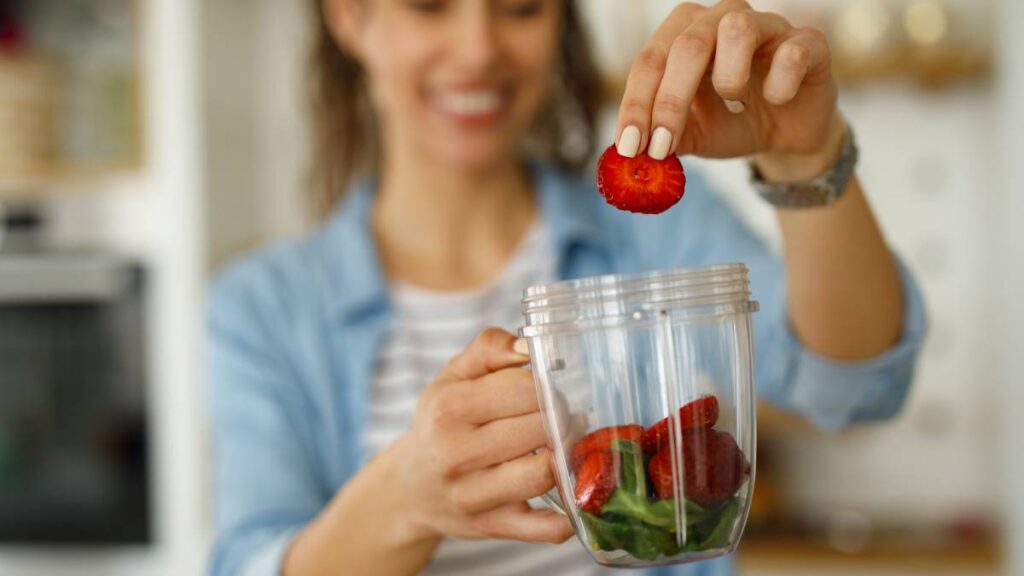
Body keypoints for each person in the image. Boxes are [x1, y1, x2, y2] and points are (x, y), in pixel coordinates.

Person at [206, 1, 927, 575]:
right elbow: (251, 560)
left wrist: (806, 157)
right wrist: (405, 499)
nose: (479, 48)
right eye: (429, 5)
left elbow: (849, 387)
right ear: (350, 16)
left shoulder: (650, 229)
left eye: (521, 7)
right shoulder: (261, 308)